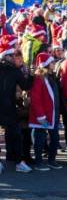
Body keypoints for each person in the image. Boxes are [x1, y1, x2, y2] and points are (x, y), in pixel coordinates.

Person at [0, 35, 33, 172]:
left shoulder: (15, 70)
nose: (14, 57)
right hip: (7, 107)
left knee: (15, 134)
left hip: (8, 107)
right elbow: (26, 85)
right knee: (15, 134)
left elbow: (24, 86)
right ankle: (17, 161)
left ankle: (16, 160)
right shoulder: (14, 70)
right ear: (6, 56)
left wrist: (29, 75)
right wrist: (31, 76)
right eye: (12, 55)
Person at [29, 52, 62, 171]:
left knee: (55, 138)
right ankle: (39, 162)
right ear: (46, 64)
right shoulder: (39, 78)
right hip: (43, 115)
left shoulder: (52, 77)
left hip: (53, 113)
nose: (54, 64)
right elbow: (36, 98)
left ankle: (51, 160)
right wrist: (40, 116)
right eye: (52, 62)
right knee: (40, 138)